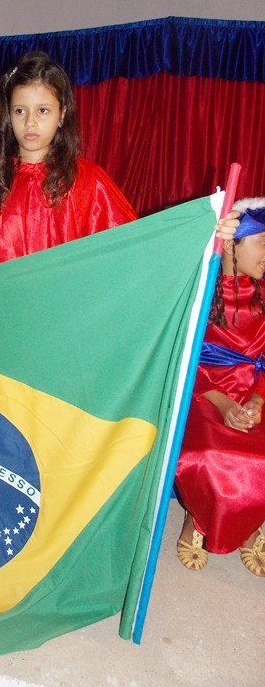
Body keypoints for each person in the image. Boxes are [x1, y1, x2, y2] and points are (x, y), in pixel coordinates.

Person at [0, 51, 138, 279]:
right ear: (8, 116)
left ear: (61, 114)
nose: (30, 122)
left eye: (43, 111)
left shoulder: (91, 185)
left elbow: (131, 252)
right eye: (20, 111)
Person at [174, 198, 265, 576]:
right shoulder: (202, 294)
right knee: (211, 454)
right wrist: (222, 404)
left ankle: (251, 522)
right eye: (262, 242)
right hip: (204, 397)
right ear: (233, 245)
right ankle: (198, 517)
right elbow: (184, 361)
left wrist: (258, 400)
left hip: (251, 396)